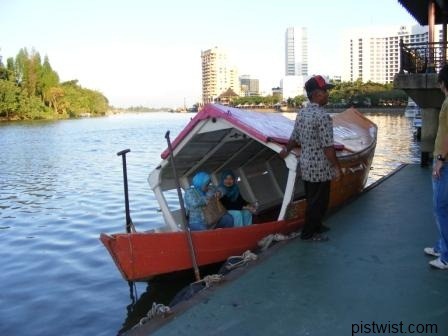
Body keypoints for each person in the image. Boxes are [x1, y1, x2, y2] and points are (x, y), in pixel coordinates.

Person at [279, 75, 342, 242]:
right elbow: (328, 147)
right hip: (321, 168)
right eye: (325, 91)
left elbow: (294, 137)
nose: (328, 94)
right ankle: (308, 233)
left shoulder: (302, 113)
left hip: (306, 165)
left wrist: (286, 150)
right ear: (317, 94)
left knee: (312, 199)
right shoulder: (323, 117)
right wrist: (336, 167)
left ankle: (317, 226)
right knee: (319, 202)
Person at [425, 64, 448, 270]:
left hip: (445, 161)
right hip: (443, 160)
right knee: (441, 207)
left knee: (440, 207)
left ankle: (446, 255)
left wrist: (440, 158)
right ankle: (441, 246)